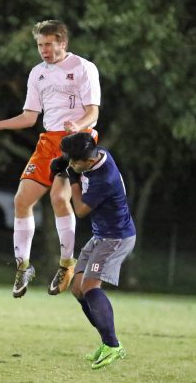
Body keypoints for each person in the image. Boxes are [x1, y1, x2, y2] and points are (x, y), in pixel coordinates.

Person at [0, 20, 102, 298]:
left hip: (77, 141)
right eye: (39, 45)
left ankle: (67, 264)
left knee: (59, 198)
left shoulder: (83, 68)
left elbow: (93, 113)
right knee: (22, 201)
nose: (43, 50)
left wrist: (78, 126)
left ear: (62, 43)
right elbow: (29, 117)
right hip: (49, 141)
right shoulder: (37, 74)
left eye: (48, 44)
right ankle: (24, 266)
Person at [50, 132, 136, 369]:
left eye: (73, 161)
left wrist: (73, 179)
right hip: (101, 235)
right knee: (78, 289)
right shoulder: (98, 154)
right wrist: (68, 165)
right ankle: (106, 341)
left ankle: (113, 345)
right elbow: (80, 147)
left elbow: (80, 210)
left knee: (89, 287)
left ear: (87, 162)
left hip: (115, 238)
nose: (70, 163)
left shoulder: (104, 179)